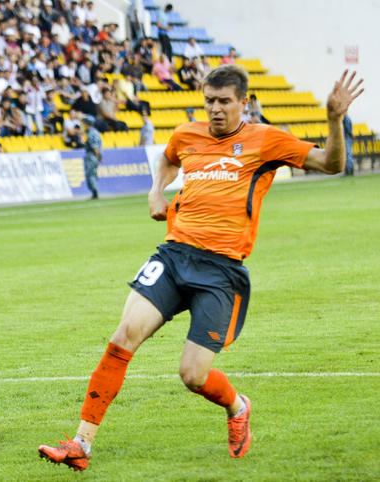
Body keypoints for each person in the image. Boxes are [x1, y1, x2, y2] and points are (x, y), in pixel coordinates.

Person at [37, 67, 364, 471]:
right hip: (174, 256)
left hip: (221, 271)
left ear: (243, 102)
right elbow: (168, 158)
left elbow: (331, 163)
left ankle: (238, 406)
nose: (216, 109)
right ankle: (81, 445)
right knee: (123, 337)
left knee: (192, 375)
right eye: (210, 100)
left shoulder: (266, 139)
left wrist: (333, 118)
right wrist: (156, 191)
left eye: (225, 101)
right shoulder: (187, 134)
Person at [82, 115, 102, 200]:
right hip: (95, 155)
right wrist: (99, 156)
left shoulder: (90, 133)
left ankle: (95, 192)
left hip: (91, 155)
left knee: (90, 174)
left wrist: (97, 155)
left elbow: (94, 147)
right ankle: (95, 191)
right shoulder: (96, 132)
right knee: (93, 173)